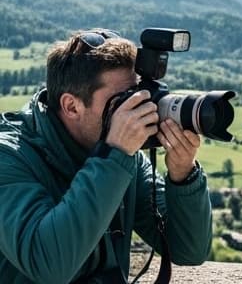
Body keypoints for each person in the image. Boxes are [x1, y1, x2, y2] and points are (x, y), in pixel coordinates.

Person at [0, 30, 211, 282]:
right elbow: (48, 264)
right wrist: (114, 156)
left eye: (136, 96)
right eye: (121, 101)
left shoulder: (125, 159)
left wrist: (183, 176)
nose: (134, 111)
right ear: (71, 106)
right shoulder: (10, 157)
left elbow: (188, 250)